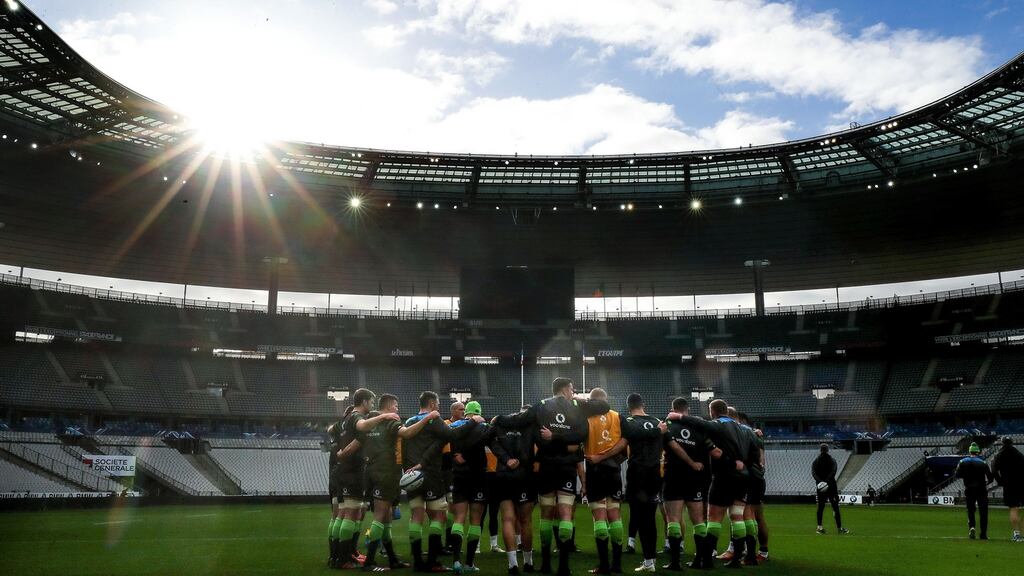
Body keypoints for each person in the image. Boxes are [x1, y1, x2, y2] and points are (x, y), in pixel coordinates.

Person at [493, 377, 610, 576]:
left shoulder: (540, 405)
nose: (573, 393)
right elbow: (594, 418)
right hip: (566, 467)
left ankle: (546, 564)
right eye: (572, 389)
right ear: (565, 389)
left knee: (546, 516)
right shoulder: (577, 406)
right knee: (565, 514)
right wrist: (581, 405)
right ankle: (564, 566)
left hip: (546, 466)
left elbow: (518, 420)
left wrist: (498, 419)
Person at [665, 398, 758, 569]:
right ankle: (737, 559)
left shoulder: (718, 424)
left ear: (712, 412)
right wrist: (745, 464)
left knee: (714, 518)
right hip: (743, 477)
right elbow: (755, 451)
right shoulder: (745, 430)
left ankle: (706, 560)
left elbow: (700, 424)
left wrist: (679, 417)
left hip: (724, 476)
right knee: (737, 516)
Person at [403, 391, 485, 572]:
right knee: (438, 516)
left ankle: (417, 562)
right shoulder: (434, 419)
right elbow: (452, 435)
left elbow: (405, 447)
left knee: (416, 516)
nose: (439, 406)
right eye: (438, 403)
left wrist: (408, 473)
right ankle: (432, 562)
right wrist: (473, 422)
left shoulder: (409, 422)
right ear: (432, 403)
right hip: (430, 473)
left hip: (411, 475)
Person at [362, 394, 436, 572]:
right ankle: (369, 562)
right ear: (388, 406)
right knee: (380, 516)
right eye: (396, 406)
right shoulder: (391, 421)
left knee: (386, 517)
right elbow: (408, 433)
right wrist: (428, 418)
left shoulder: (370, 419)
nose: (397, 409)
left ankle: (393, 559)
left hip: (371, 471)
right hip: (386, 473)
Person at [333, 389, 404, 569]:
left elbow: (331, 431)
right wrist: (383, 417)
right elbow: (362, 429)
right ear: (365, 402)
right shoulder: (358, 418)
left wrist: (341, 452)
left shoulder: (345, 419)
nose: (372, 405)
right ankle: (344, 559)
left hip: (348, 470)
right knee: (352, 514)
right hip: (356, 472)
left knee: (346, 515)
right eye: (371, 402)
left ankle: (339, 557)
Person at [662, 397, 718, 571]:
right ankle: (703, 560)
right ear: (687, 409)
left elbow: (674, 447)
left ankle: (675, 562)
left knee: (673, 519)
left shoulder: (668, 425)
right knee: (699, 521)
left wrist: (690, 462)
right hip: (696, 478)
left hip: (674, 476)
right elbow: (713, 450)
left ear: (673, 409)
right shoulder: (699, 427)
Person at [582, 388, 627, 574]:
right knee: (615, 516)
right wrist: (609, 456)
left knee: (599, 516)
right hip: (613, 470)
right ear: (605, 400)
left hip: (595, 470)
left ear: (592, 401)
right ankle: (617, 565)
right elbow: (625, 441)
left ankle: (604, 565)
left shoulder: (585, 418)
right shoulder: (617, 416)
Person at [621, 393, 667, 573]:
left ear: (628, 407)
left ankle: (648, 561)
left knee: (641, 518)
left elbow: (628, 439)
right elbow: (670, 443)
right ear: (643, 404)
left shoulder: (629, 422)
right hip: (655, 475)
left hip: (637, 475)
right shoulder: (658, 422)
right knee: (650, 516)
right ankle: (651, 561)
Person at [491, 405, 538, 574]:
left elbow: (490, 441)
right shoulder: (532, 425)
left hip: (504, 474)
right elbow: (541, 446)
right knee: (526, 521)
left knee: (508, 520)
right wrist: (523, 461)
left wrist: (505, 459)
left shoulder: (500, 421)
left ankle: (512, 565)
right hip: (524, 475)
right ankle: (528, 563)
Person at [449, 400, 494, 573]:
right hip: (478, 476)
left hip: (459, 476)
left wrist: (458, 455)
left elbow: (452, 446)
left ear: (466, 412)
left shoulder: (454, 427)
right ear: (479, 413)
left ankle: (456, 561)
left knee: (459, 517)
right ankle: (469, 563)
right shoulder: (484, 427)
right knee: (475, 519)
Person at [955, 442, 994, 540]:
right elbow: (990, 478)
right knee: (983, 512)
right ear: (978, 452)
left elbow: (957, 475)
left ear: (970, 451)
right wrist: (985, 483)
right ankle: (983, 534)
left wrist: (966, 476)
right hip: (981, 490)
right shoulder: (983, 462)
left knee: (971, 510)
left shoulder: (962, 461)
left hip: (969, 489)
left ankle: (972, 527)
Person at [992, 436, 1024, 542]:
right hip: (1020, 483)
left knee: (1014, 508)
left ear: (1002, 443)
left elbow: (994, 469)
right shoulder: (1019, 454)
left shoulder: (999, 455)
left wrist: (1000, 481)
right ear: (1012, 443)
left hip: (1009, 485)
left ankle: (1017, 534)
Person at [812, 443, 847, 536]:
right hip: (831, 486)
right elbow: (834, 471)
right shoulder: (832, 460)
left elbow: (813, 472)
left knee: (820, 507)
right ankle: (839, 528)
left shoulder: (816, 461)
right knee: (835, 507)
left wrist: (820, 482)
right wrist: (827, 481)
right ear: (827, 450)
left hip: (820, 487)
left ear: (820, 450)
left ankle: (819, 527)